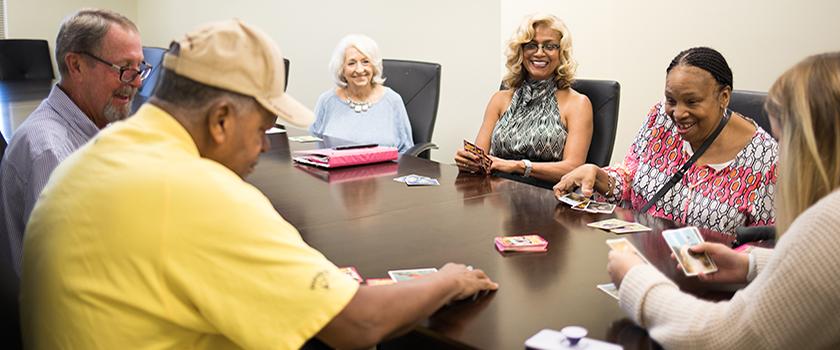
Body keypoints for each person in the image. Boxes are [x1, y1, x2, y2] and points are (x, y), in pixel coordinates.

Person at [20, 19, 497, 349]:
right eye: (263, 128)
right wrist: (448, 278)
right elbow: (358, 323)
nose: (261, 149)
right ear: (222, 120)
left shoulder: (99, 153)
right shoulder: (199, 192)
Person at [608, 51, 840, 349]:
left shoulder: (835, 220)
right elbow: (821, 266)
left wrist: (635, 279)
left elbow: (721, 337)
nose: (782, 150)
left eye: (785, 137)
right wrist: (749, 264)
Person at [554, 47, 778, 234]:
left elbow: (766, 245)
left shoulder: (767, 160)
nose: (678, 113)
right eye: (671, 99)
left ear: (724, 97)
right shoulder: (659, 119)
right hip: (644, 263)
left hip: (714, 278)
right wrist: (599, 176)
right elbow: (630, 177)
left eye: (691, 102)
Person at [0, 8, 148, 276]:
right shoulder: (49, 152)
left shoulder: (101, 123)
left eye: (140, 67)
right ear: (76, 65)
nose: (136, 81)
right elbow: (68, 275)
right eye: (125, 68)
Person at [455, 13, 593, 183]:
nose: (539, 53)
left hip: (548, 199)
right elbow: (480, 158)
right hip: (496, 198)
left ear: (561, 53)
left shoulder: (577, 104)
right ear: (521, 51)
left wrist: (518, 166)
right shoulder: (500, 99)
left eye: (550, 46)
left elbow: (573, 168)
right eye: (531, 45)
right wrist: (469, 162)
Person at [309, 34, 414, 153]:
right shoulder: (326, 101)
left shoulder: (393, 100)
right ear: (341, 69)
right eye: (351, 63)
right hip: (336, 170)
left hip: (384, 170)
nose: (359, 70)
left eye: (365, 62)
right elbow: (312, 146)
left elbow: (406, 151)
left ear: (374, 66)